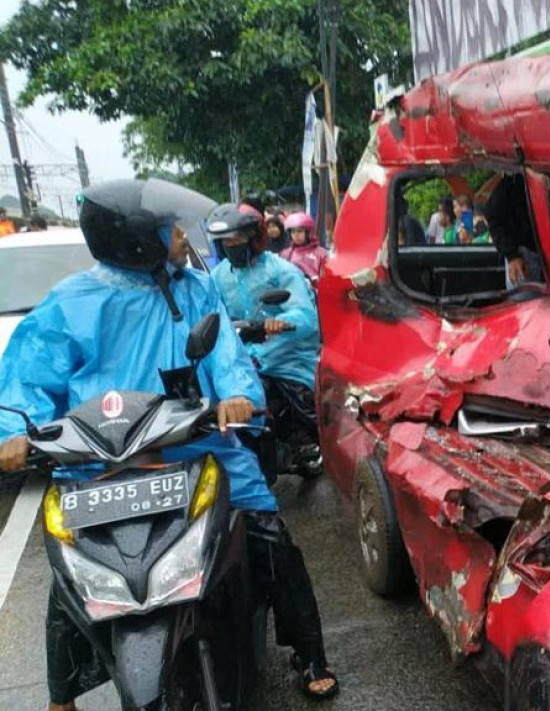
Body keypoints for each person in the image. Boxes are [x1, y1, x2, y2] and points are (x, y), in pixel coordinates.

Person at [0, 179, 338, 709]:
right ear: (137, 239)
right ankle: (61, 694)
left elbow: (226, 356)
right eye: (169, 227)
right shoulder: (70, 304)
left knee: (268, 531)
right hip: (100, 464)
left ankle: (310, 653)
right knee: (68, 574)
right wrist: (14, 433)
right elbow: (27, 379)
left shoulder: (195, 289)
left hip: (196, 445)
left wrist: (237, 398)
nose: (183, 236)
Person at [206, 203, 322, 472]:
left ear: (254, 238)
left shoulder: (281, 270)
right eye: (226, 241)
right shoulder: (217, 278)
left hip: (288, 358)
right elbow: (211, 316)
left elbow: (306, 317)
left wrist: (280, 322)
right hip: (242, 359)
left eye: (237, 238)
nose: (231, 245)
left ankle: (299, 440)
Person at [280, 212, 328, 280]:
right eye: (293, 232)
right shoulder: (285, 253)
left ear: (308, 233)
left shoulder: (321, 252)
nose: (296, 235)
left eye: (299, 231)